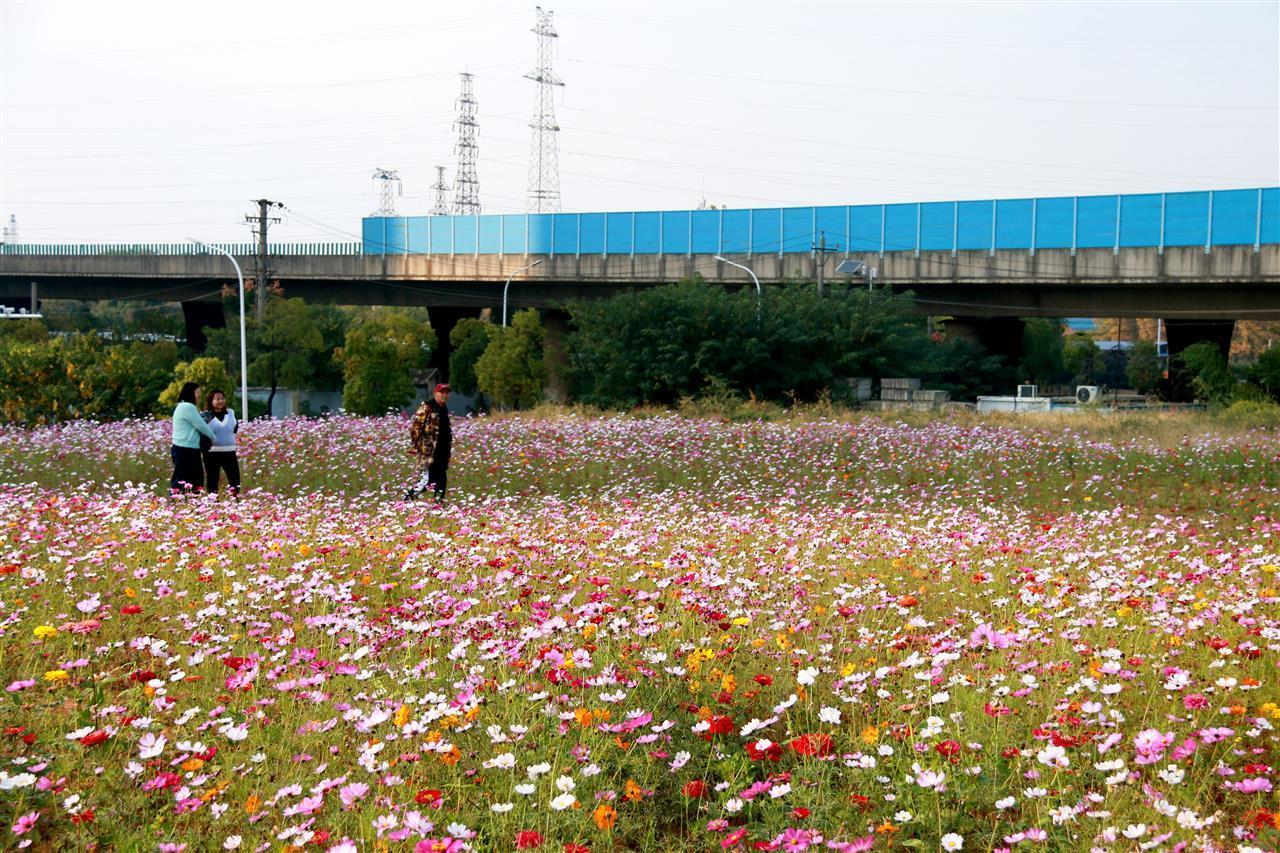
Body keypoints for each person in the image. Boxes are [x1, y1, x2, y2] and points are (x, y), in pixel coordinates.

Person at [405, 383, 452, 502]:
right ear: (435, 393)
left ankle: (438, 506)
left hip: (442, 452)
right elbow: (415, 428)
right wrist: (417, 446)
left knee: (441, 481)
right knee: (427, 481)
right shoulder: (427, 407)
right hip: (428, 452)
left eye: (447, 393)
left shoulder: (443, 408)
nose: (445, 395)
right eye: (442, 392)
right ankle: (407, 500)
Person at [170, 382, 216, 494]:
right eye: (198, 392)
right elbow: (201, 426)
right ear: (191, 393)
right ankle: (178, 503)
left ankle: (187, 503)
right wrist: (214, 438)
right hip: (186, 449)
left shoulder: (182, 406)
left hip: (185, 449)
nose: (200, 395)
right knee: (188, 479)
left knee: (189, 479)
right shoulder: (187, 407)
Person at [202, 389, 241, 496]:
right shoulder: (206, 416)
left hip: (230, 453)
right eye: (217, 399)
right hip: (211, 454)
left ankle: (235, 501)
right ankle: (213, 504)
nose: (220, 401)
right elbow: (202, 433)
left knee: (235, 480)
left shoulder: (231, 413)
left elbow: (234, 429)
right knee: (212, 481)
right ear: (211, 401)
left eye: (222, 398)